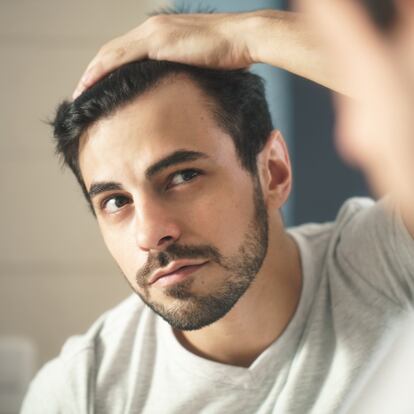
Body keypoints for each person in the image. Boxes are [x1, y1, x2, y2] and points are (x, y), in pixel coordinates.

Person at [22, 3, 414, 414]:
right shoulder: (81, 393)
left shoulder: (387, 262)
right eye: (117, 201)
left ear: (274, 172)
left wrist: (244, 36)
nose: (150, 233)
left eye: (183, 176)